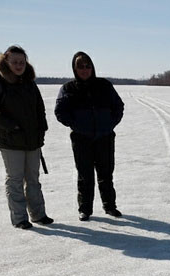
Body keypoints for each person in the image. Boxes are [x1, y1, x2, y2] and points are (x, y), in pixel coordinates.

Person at [0, 45, 52, 229]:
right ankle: (20, 218)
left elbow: (40, 108)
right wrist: (11, 126)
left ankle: (39, 215)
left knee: (33, 179)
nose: (19, 65)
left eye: (22, 62)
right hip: (11, 141)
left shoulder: (29, 82)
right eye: (14, 62)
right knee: (15, 180)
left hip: (32, 140)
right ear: (6, 62)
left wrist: (41, 129)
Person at [54, 51, 124, 221]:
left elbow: (118, 107)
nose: (84, 70)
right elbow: (60, 112)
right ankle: (85, 209)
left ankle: (110, 206)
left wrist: (109, 125)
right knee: (85, 175)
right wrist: (77, 126)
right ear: (75, 69)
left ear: (92, 67)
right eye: (80, 67)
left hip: (104, 137)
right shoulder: (68, 88)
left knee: (106, 173)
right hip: (81, 139)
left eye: (87, 66)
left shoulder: (104, 86)